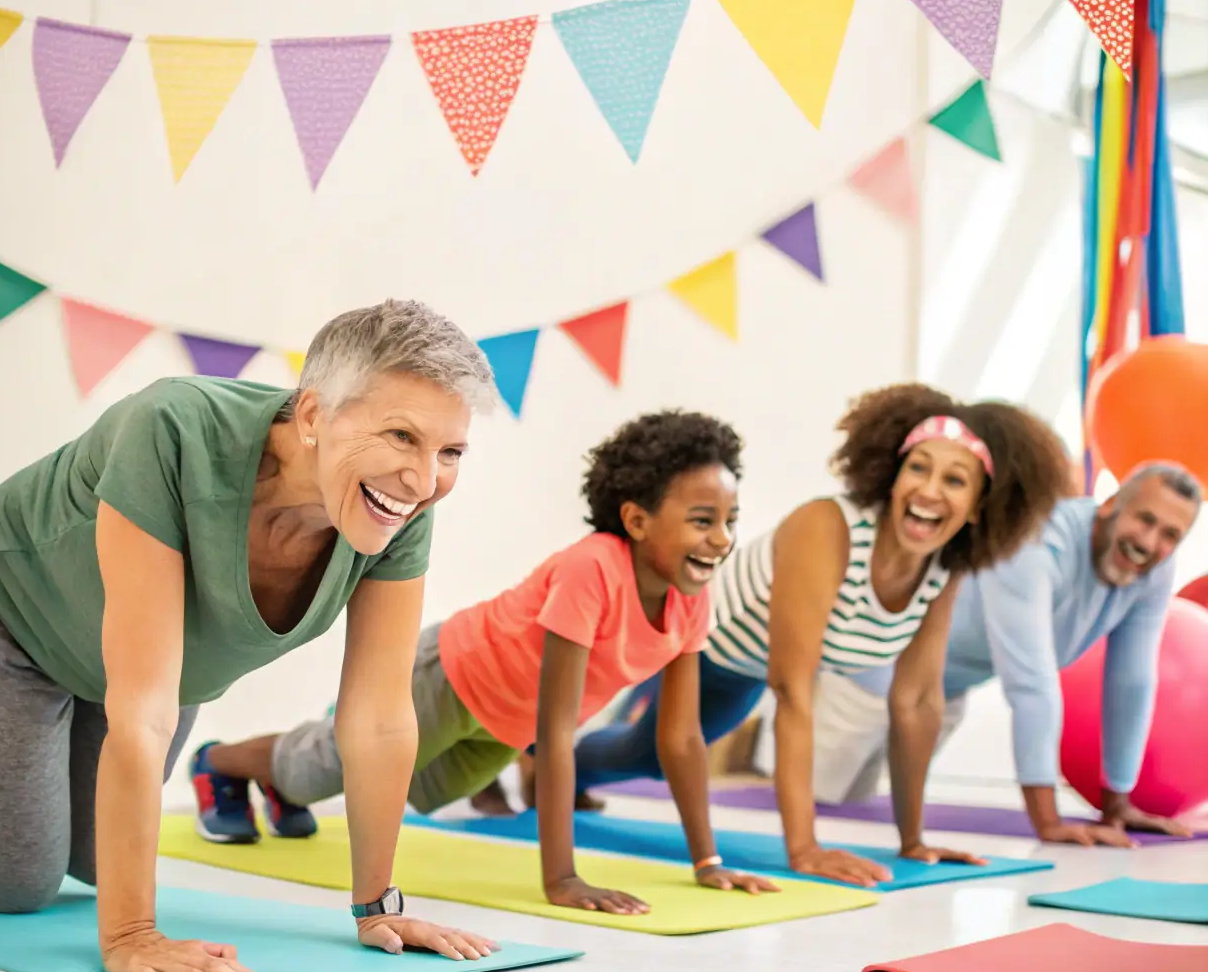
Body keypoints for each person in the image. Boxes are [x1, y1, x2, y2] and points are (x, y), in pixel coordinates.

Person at [0, 299, 502, 972]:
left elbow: (377, 718)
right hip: (15, 618)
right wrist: (130, 936)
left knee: (101, 860)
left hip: (145, 665)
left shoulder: (396, 508)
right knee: (14, 881)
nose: (425, 480)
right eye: (400, 436)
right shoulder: (173, 428)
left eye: (449, 451)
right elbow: (144, 712)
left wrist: (377, 907)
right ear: (312, 417)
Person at [192, 411, 782, 915]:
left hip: (504, 727)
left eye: (729, 521)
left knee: (410, 791)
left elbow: (679, 738)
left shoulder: (691, 600)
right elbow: (557, 736)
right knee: (331, 768)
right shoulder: (593, 568)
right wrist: (562, 879)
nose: (723, 539)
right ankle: (217, 761)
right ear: (635, 520)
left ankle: (316, 751)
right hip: (454, 674)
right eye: (703, 521)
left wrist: (708, 863)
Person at [568, 384, 1071, 888]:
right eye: (918, 468)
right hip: (686, 639)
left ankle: (557, 768)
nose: (930, 490)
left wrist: (913, 840)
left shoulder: (945, 566)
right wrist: (804, 848)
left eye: (955, 480)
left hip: (741, 670)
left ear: (980, 507)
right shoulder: (828, 528)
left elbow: (917, 700)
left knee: (647, 757)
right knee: (644, 749)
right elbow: (793, 691)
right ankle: (549, 762)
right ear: (892, 477)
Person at [825, 461, 1200, 845]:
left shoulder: (1154, 569)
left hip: (937, 695)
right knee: (813, 817)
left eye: (1171, 534)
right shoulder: (1034, 539)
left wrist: (1118, 804)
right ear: (1110, 504)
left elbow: (1131, 680)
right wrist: (1048, 823)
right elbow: (1031, 682)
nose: (1150, 542)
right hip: (861, 676)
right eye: (1144, 519)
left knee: (862, 828)